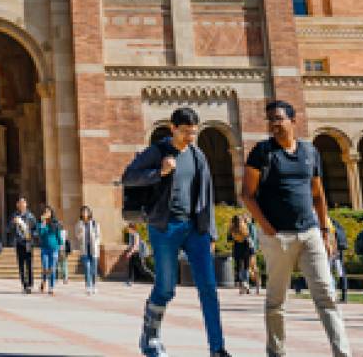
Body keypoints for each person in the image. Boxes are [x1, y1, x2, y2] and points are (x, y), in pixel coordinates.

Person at [241, 100, 351, 357]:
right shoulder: (262, 152)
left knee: (326, 294)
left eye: (278, 118)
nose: (274, 124)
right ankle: (276, 352)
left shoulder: (310, 152)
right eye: (270, 120)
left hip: (310, 232)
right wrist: (268, 230)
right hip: (278, 236)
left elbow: (318, 194)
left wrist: (325, 230)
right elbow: (247, 194)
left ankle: (342, 352)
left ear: (293, 121)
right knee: (276, 300)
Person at [122, 107, 232, 357]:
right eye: (185, 132)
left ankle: (218, 348)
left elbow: (207, 194)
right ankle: (150, 336)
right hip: (164, 228)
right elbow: (128, 176)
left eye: (194, 133)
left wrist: (211, 232)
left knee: (208, 287)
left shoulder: (198, 155)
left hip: (196, 229)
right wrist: (159, 172)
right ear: (173, 129)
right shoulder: (158, 151)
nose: (190, 137)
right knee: (166, 287)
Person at [8, 197, 38, 293]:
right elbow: (9, 229)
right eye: (20, 203)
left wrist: (31, 236)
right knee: (21, 264)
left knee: (29, 264)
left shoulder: (30, 216)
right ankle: (24, 284)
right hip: (19, 243)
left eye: (23, 203)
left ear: (26, 204)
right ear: (17, 205)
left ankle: (30, 284)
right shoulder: (15, 216)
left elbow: (35, 230)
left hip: (28, 243)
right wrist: (13, 222)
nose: (21, 205)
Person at [74, 206, 101, 296]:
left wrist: (96, 243)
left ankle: (94, 285)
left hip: (93, 249)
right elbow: (77, 236)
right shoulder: (79, 224)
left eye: (86, 212)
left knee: (94, 269)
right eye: (83, 212)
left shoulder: (94, 223)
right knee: (87, 268)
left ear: (89, 213)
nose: (84, 213)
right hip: (84, 249)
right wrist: (80, 233)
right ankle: (88, 286)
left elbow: (98, 236)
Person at [36, 204, 63, 294]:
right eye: (45, 212)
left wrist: (61, 247)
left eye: (48, 212)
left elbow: (59, 236)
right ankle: (44, 280)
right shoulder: (41, 224)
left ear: (51, 213)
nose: (47, 213)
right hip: (44, 248)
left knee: (52, 268)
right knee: (45, 267)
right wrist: (43, 222)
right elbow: (40, 233)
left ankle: (51, 287)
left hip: (54, 248)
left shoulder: (55, 224)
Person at [228, 213, 256, 295]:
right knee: (246, 267)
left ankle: (241, 286)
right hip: (246, 249)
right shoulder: (245, 227)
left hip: (237, 249)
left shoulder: (232, 228)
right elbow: (249, 238)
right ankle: (246, 284)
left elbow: (229, 239)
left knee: (239, 267)